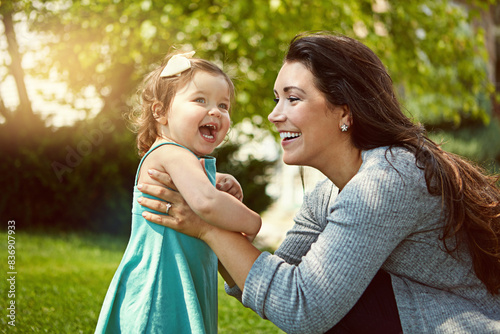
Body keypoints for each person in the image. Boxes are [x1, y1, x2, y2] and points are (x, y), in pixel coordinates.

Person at [136, 32, 500, 333]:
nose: (274, 115)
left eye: (293, 99)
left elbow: (302, 307)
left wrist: (208, 226)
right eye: (277, 99)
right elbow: (277, 281)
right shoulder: (327, 192)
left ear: (345, 110)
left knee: (336, 303)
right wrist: (213, 218)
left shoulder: (387, 180)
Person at [95, 51, 261, 334]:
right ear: (160, 112)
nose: (215, 111)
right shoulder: (171, 152)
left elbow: (202, 192)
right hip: (160, 289)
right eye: (200, 100)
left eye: (223, 104)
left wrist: (219, 182)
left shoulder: (183, 160)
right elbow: (206, 203)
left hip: (180, 282)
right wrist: (251, 221)